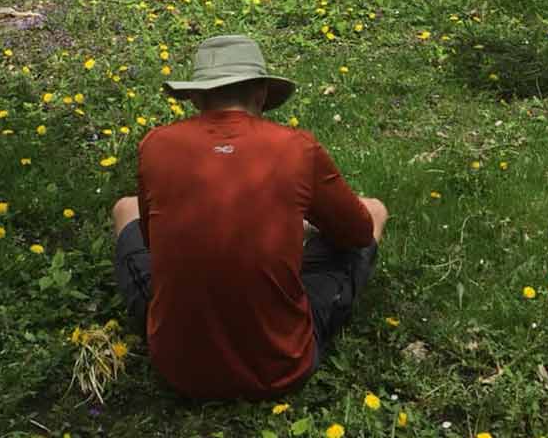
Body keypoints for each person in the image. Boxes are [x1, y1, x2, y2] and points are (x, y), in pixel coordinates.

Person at [112, 35, 388, 401]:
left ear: (195, 97)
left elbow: (152, 243)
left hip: (179, 367)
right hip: (280, 367)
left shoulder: (155, 145)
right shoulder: (297, 148)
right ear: (261, 94)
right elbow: (356, 234)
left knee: (125, 207)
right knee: (374, 210)